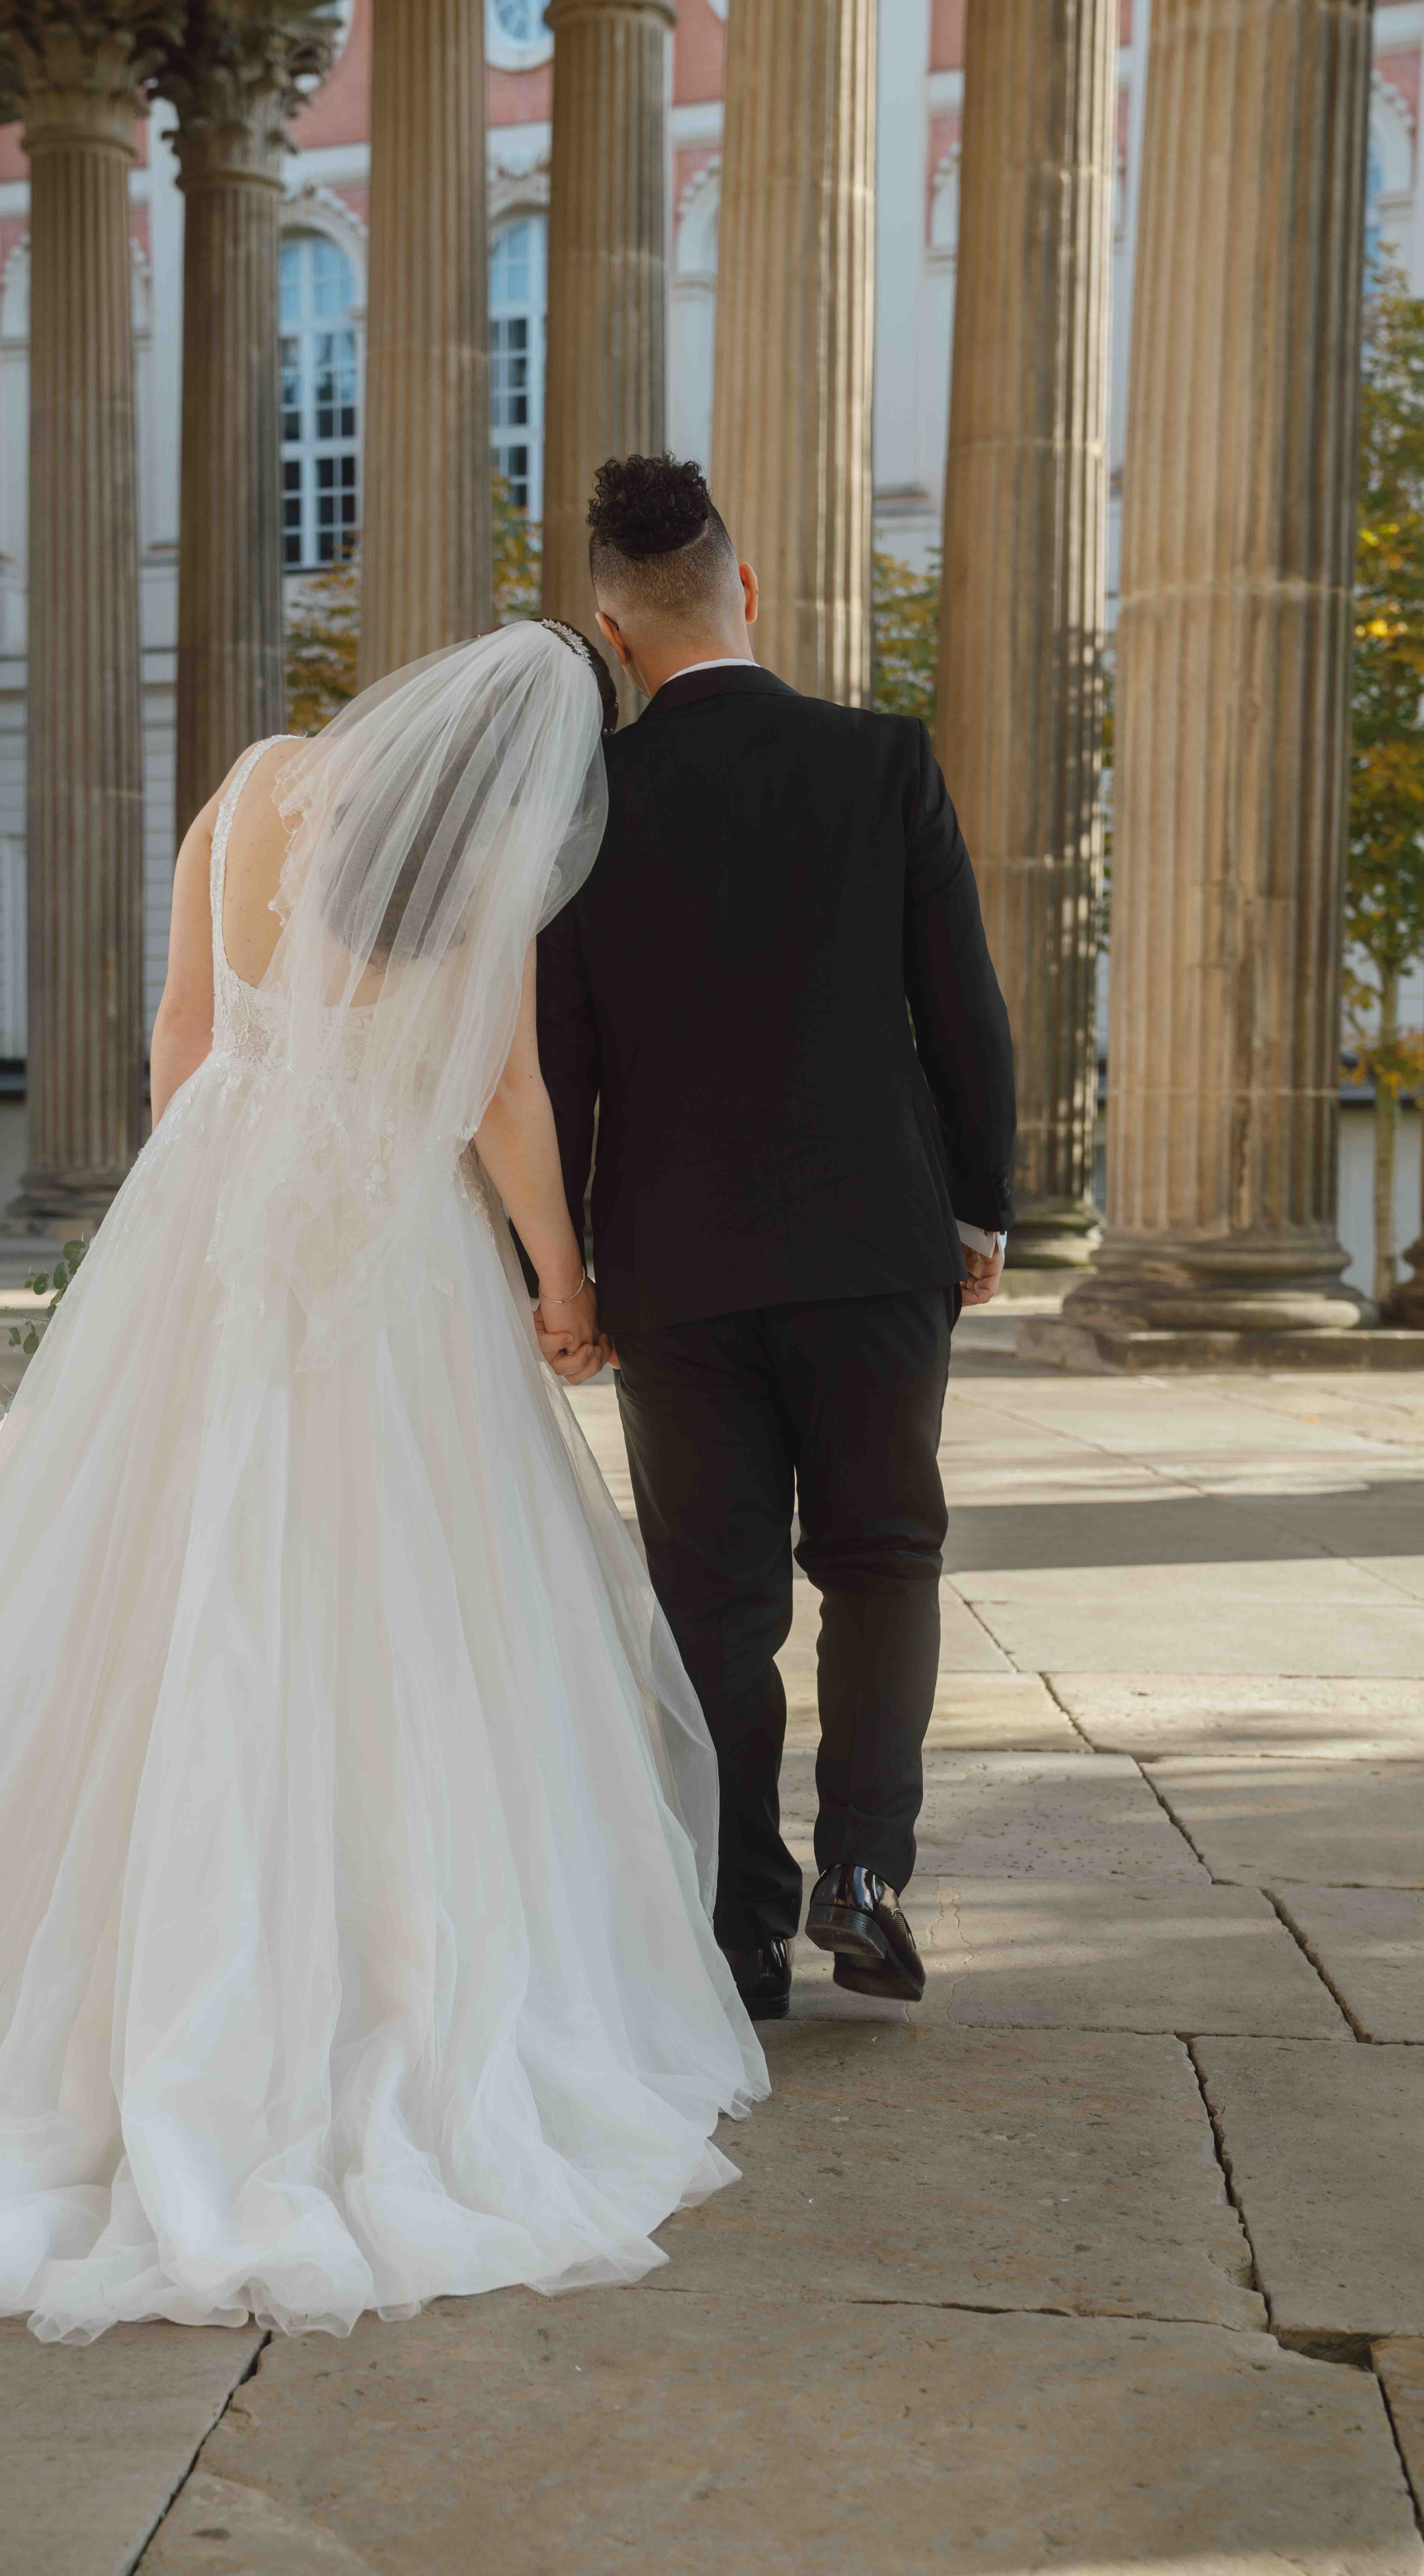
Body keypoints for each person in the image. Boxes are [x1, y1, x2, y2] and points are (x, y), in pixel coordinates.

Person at [0, 621, 765, 2345]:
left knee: (148, 1586)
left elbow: (179, 1038)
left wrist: (204, 1220)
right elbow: (496, 1091)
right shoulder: (478, 859)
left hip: (211, 1217)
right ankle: (345, 1997)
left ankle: (87, 1989)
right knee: (388, 1605)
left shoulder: (253, 786)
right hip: (384, 1248)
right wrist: (561, 1282)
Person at [533, 456, 1016, 2024]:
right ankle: (865, 1872)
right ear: (745, 591)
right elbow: (965, 1016)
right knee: (883, 1558)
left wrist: (569, 1271)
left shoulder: (584, 812)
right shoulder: (879, 763)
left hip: (673, 1272)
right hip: (877, 1242)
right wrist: (980, 1204)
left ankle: (740, 1935)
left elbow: (561, 1069)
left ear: (611, 632)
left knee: (715, 1606)